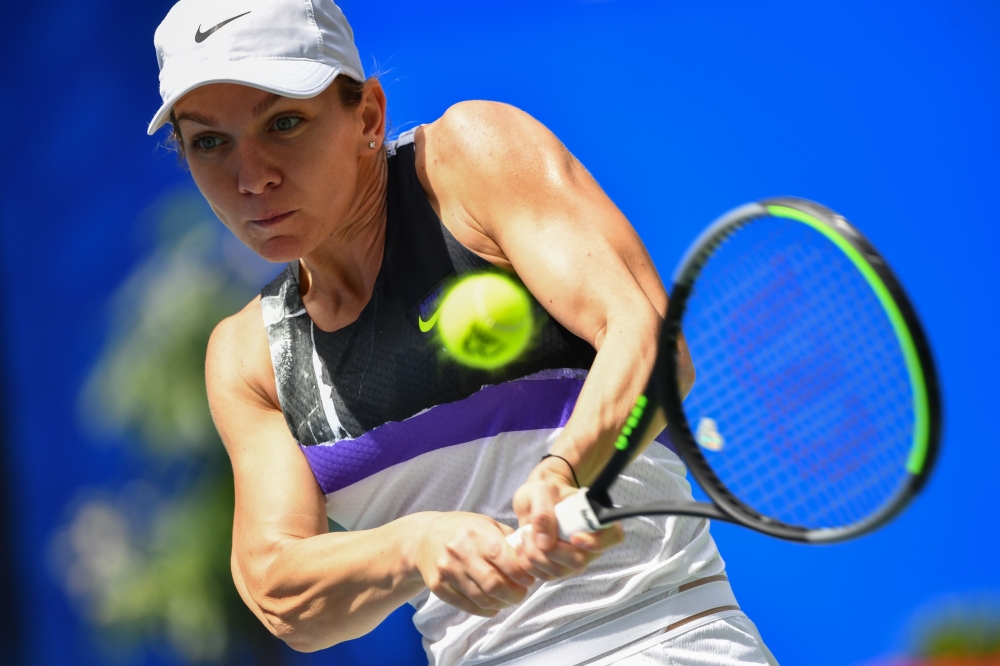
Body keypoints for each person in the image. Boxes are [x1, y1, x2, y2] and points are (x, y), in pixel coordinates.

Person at [148, 0, 778, 664]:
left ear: (366, 114)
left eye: (284, 122)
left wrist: (563, 470)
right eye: (209, 141)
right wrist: (413, 546)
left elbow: (652, 346)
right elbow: (284, 595)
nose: (252, 178)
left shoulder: (468, 162)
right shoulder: (250, 357)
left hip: (663, 641)